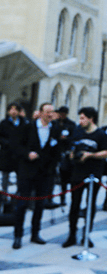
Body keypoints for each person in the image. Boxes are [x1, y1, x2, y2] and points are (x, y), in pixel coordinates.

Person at [12, 103, 62, 249]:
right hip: (27, 171)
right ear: (40, 113)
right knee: (22, 204)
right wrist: (27, 154)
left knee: (40, 204)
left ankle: (35, 233)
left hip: (44, 173)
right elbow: (16, 146)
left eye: (52, 112)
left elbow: (56, 150)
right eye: (47, 112)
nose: (50, 115)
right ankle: (18, 235)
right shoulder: (27, 128)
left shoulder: (55, 129)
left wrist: (52, 168)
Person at [62, 107, 107, 248]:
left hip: (93, 174)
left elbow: (106, 153)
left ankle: (86, 235)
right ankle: (71, 235)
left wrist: (91, 155)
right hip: (77, 173)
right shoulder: (77, 131)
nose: (80, 121)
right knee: (74, 205)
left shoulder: (101, 134)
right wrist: (72, 154)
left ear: (91, 119)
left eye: (83, 118)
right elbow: (72, 147)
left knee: (90, 205)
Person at [0, 103, 28, 197]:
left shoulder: (23, 123)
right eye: (11, 109)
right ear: (8, 111)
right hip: (7, 153)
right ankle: (4, 194)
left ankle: (19, 194)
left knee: (20, 174)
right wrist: (6, 143)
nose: (13, 111)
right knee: (5, 175)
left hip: (19, 153)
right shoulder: (4, 123)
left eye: (16, 109)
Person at [55, 106, 76, 207]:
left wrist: (66, 139)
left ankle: (63, 198)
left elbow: (73, 138)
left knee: (65, 177)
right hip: (56, 151)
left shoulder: (71, 124)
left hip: (66, 153)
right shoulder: (55, 123)